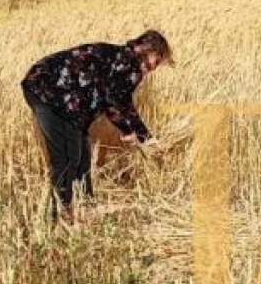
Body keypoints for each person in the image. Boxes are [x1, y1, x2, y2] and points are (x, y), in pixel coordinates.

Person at [21, 29, 172, 218]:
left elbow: (123, 102)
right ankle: (59, 214)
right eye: (157, 61)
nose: (155, 67)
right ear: (148, 50)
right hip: (46, 89)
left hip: (62, 96)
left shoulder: (129, 64)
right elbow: (111, 101)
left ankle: (86, 205)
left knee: (82, 151)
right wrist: (128, 131)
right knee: (67, 157)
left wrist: (145, 137)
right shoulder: (128, 62)